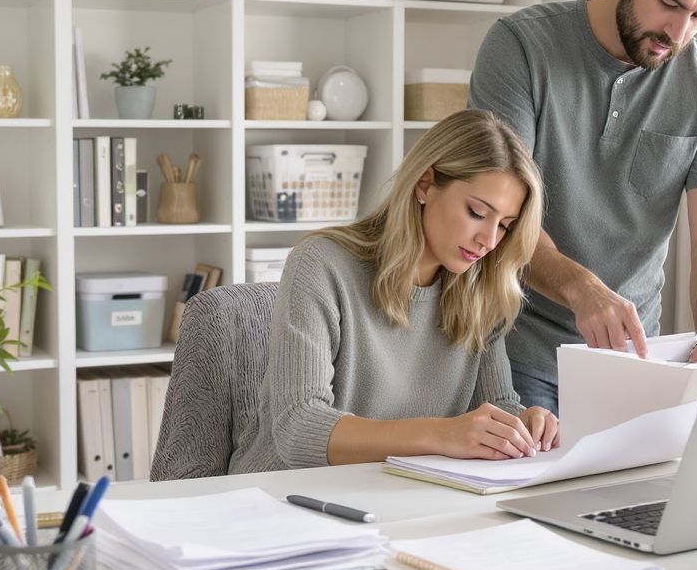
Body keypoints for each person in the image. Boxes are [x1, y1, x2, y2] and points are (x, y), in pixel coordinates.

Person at [469, 0, 697, 415]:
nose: (678, 32)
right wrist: (580, 288)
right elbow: (497, 214)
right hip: (515, 353)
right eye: (669, 3)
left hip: (634, 361)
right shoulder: (521, 48)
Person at [230, 109, 558, 474]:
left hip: (393, 494)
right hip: (282, 498)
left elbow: (495, 403)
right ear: (425, 184)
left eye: (505, 227)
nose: (489, 240)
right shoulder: (321, 264)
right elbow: (299, 428)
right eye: (477, 213)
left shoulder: (481, 288)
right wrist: (440, 434)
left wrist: (522, 424)